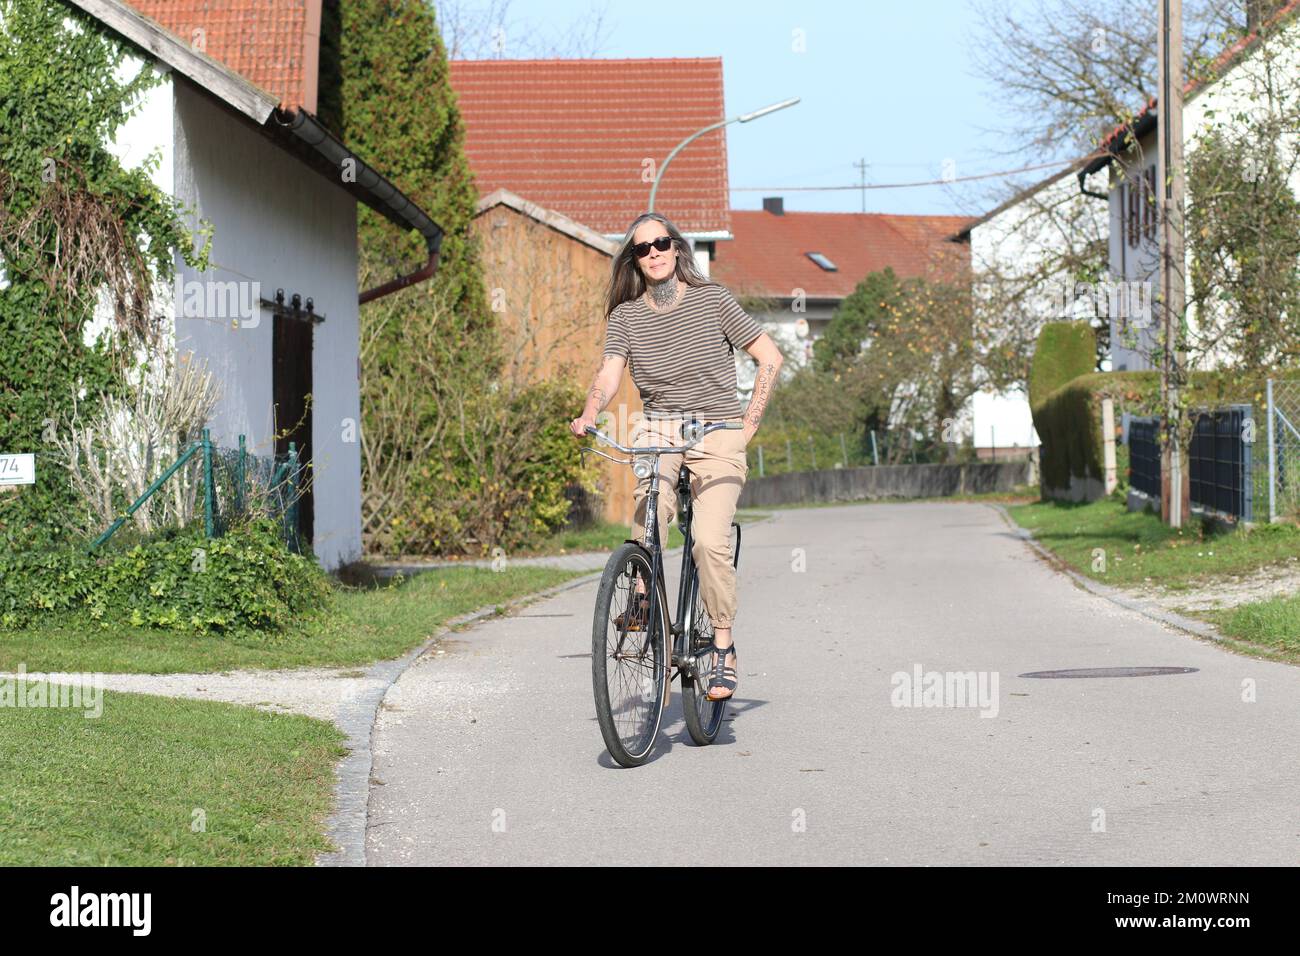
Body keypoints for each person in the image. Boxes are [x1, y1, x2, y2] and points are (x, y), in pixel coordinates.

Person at [569, 212, 783, 701]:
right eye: (643, 249)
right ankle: (645, 601)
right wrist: (588, 412)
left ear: (677, 247)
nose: (654, 253)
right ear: (635, 261)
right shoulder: (626, 317)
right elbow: (608, 375)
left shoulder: (712, 299)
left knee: (708, 543)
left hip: (719, 431)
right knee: (652, 507)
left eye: (661, 243)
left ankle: (723, 647)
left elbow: (769, 356)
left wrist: (748, 424)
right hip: (660, 428)